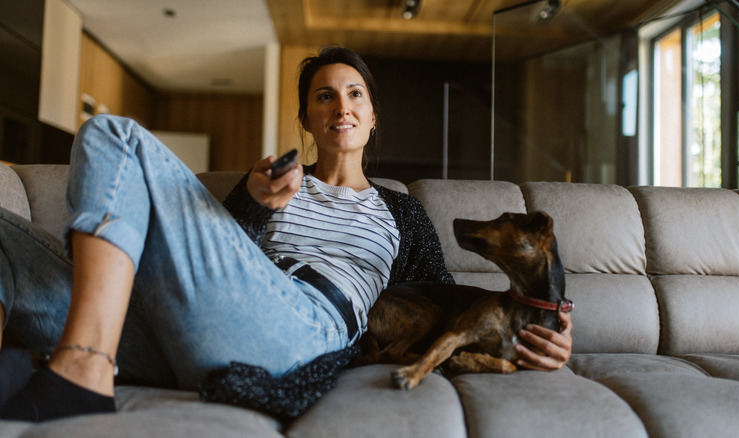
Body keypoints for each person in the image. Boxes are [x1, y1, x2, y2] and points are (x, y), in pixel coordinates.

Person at [0, 46, 572, 422]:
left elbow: (450, 308)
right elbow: (202, 267)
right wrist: (251, 201)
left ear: (373, 117)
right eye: (324, 95)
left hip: (302, 329)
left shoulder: (402, 214)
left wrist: (541, 327)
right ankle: (63, 353)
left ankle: (82, 368)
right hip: (184, 331)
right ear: (306, 117)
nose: (340, 106)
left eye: (354, 94)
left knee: (112, 135)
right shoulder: (271, 182)